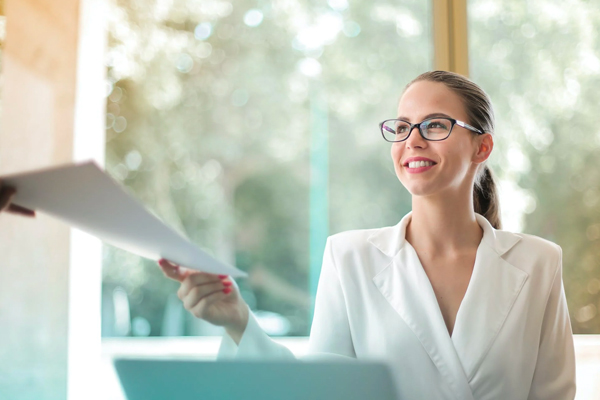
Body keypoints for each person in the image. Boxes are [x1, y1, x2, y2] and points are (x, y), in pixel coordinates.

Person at [158, 70, 576, 399]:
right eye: (402, 127)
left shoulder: (538, 263)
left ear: (481, 148)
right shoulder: (349, 257)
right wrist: (238, 323)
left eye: (434, 126)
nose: (412, 140)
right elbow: (319, 394)